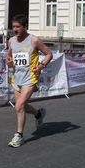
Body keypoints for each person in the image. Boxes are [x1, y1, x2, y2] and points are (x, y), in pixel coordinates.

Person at [6, 14, 53, 148]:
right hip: (17, 78)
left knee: (18, 106)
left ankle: (18, 135)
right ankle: (38, 113)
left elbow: (49, 54)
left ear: (25, 27)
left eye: (18, 27)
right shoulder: (11, 41)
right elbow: (9, 56)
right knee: (23, 107)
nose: (15, 29)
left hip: (30, 78)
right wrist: (9, 62)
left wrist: (41, 66)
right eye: (13, 26)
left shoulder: (34, 40)